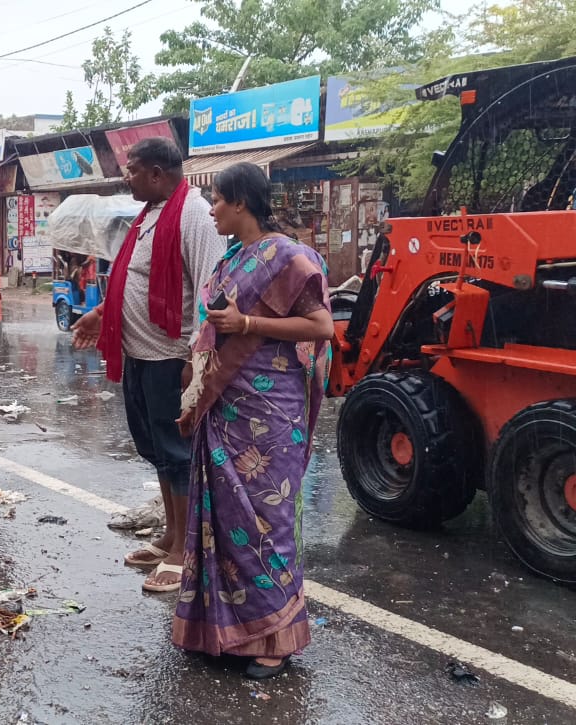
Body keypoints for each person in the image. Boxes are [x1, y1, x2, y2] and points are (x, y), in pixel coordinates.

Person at [172, 162, 333, 679]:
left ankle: (275, 639)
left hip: (270, 410)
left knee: (266, 521)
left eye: (217, 199)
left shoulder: (289, 255)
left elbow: (321, 326)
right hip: (225, 405)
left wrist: (246, 322)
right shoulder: (229, 260)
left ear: (241, 201)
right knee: (223, 516)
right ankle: (219, 630)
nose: (211, 209)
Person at [72, 137, 228, 593]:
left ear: (157, 174)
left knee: (178, 454)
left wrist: (192, 359)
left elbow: (208, 288)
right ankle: (170, 535)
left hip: (168, 358)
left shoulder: (194, 214)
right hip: (138, 356)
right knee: (157, 449)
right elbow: (128, 278)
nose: (127, 177)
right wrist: (100, 313)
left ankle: (185, 551)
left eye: (133, 169)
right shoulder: (150, 214)